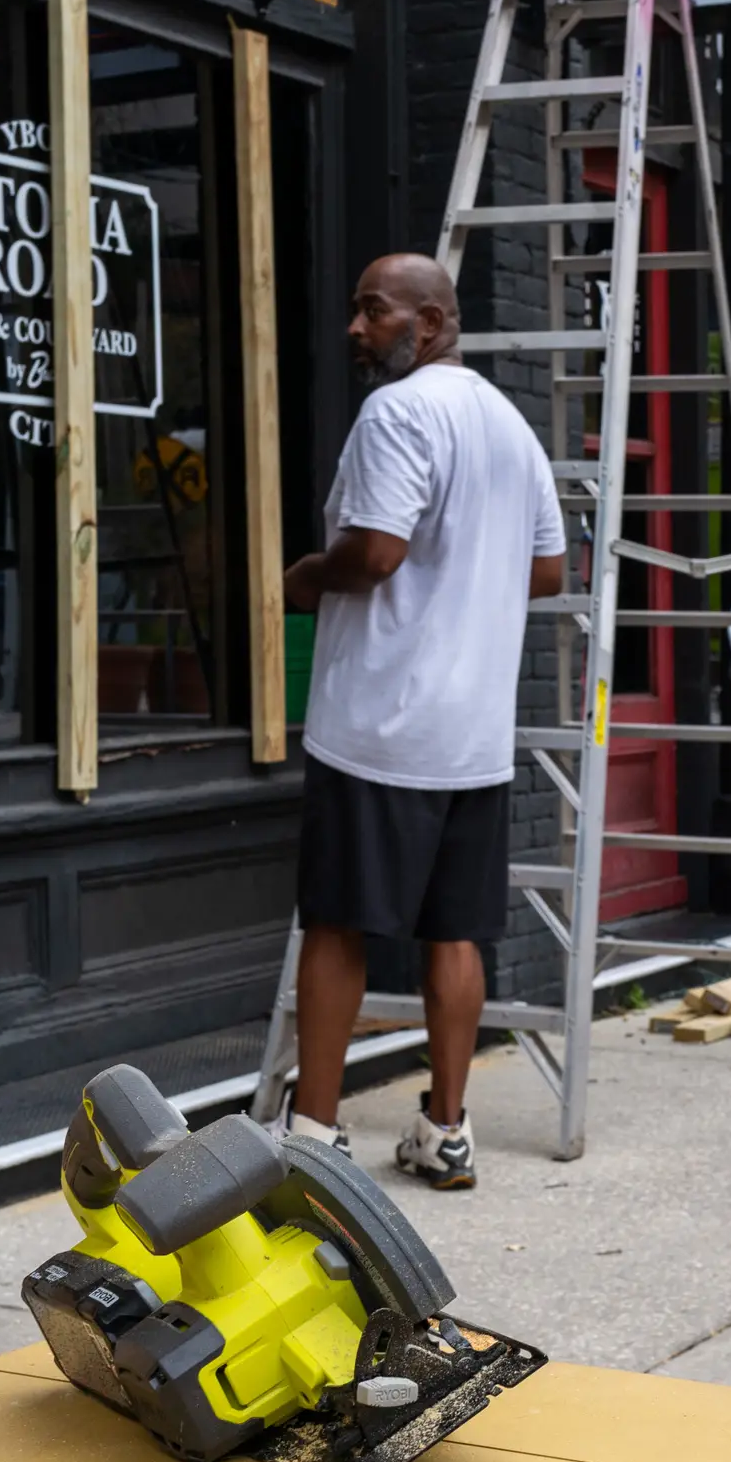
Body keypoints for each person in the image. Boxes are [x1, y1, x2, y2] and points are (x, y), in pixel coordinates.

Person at [283, 253, 565, 1185]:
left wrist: (306, 577)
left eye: (374, 312)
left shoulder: (396, 412)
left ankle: (314, 1138)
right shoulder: (510, 426)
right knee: (456, 934)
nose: (356, 330)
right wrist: (466, 583)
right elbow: (547, 571)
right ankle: (446, 1132)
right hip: (471, 733)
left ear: (430, 324)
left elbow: (374, 551)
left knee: (335, 924)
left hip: (379, 722)